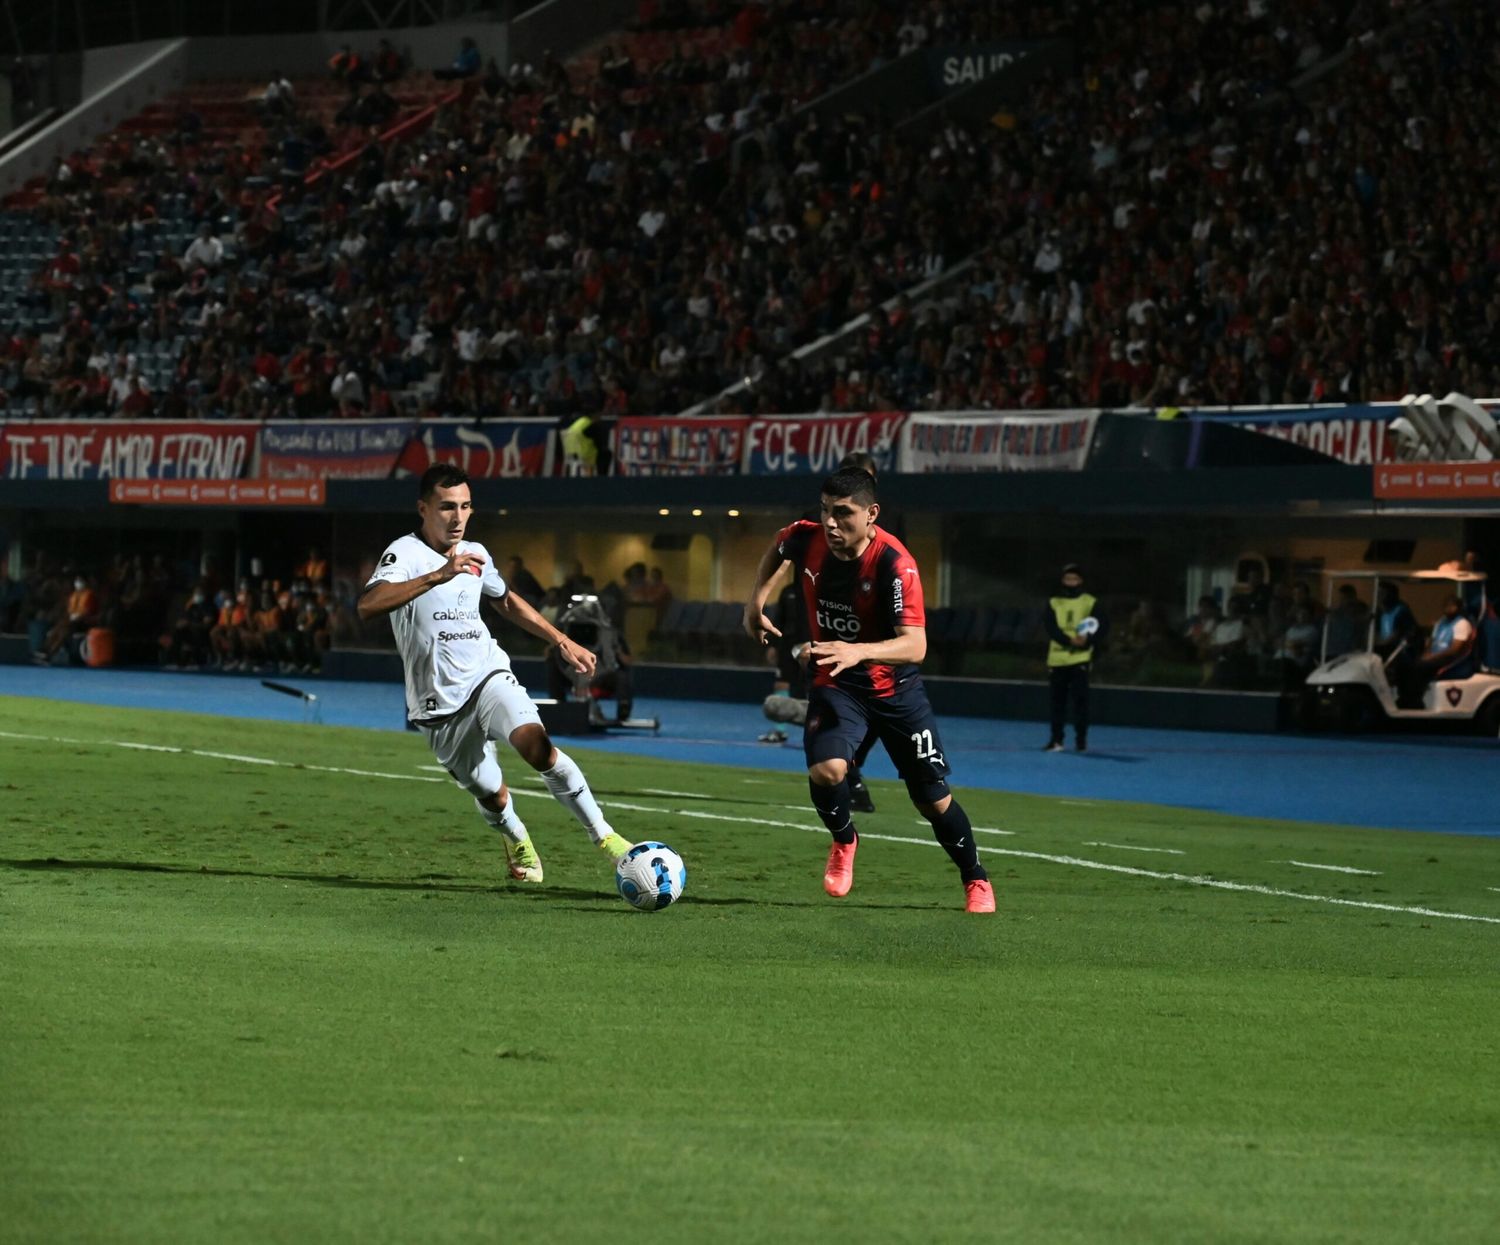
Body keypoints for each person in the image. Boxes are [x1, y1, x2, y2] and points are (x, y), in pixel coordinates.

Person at [358, 464, 632, 884]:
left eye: (465, 506)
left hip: (487, 675)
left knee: (537, 746)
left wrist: (561, 640)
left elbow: (506, 601)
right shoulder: (405, 554)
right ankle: (517, 836)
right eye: (447, 507)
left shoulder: (477, 553)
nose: (458, 517)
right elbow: (369, 604)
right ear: (423, 508)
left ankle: (607, 839)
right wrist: (437, 575)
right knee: (491, 792)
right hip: (439, 705)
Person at [743, 467, 995, 913]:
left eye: (843, 514)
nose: (831, 523)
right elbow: (778, 548)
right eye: (825, 511)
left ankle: (975, 878)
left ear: (871, 514)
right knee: (828, 770)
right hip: (836, 682)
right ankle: (844, 840)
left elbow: (915, 645)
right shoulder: (807, 537)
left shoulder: (896, 565)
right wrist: (755, 603)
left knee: (932, 799)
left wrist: (859, 651)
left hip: (896, 691)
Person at [1042, 564, 1099, 752]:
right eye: (1067, 579)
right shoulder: (1054, 602)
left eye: (1074, 579)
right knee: (1057, 702)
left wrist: (1087, 639)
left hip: (1080, 659)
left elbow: (1101, 625)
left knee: (1080, 702)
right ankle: (1056, 740)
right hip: (1057, 660)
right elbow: (1050, 627)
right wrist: (1069, 640)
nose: (1071, 582)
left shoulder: (1090, 602)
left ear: (1081, 581)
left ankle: (1081, 741)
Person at [1398, 594, 1476, 708]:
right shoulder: (1441, 622)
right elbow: (1432, 642)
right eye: (1446, 605)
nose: (1448, 608)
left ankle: (1414, 701)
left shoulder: (1462, 624)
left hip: (1449, 659)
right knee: (1404, 665)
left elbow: (1455, 650)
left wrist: (1432, 657)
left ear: (1458, 607)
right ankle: (1404, 698)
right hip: (1435, 656)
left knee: (1419, 667)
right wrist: (1426, 653)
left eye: (1451, 605)